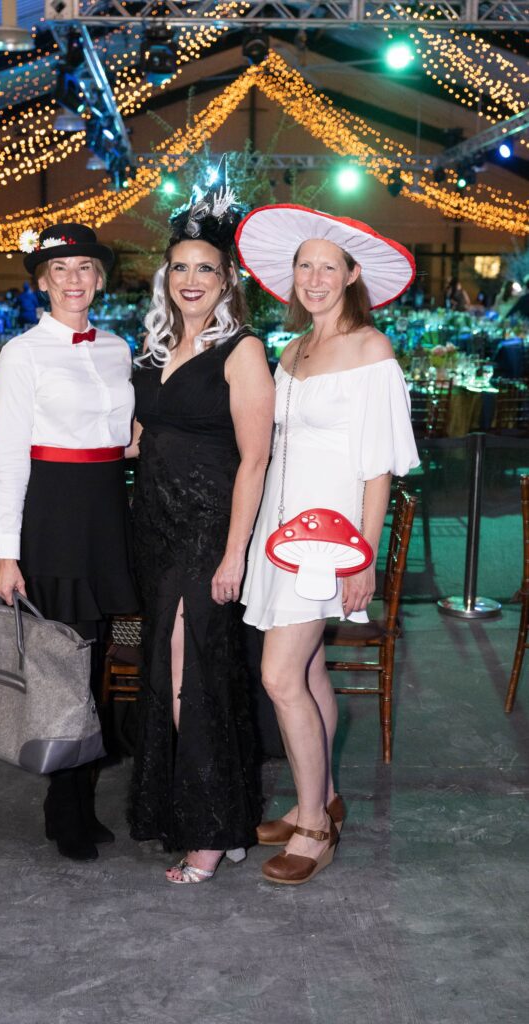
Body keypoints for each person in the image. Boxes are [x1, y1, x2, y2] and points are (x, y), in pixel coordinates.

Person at [236, 205, 420, 885]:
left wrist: (362, 557)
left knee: (279, 676)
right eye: (303, 265)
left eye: (326, 267)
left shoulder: (370, 348)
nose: (313, 277)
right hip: (277, 539)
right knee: (306, 672)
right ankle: (321, 795)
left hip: (329, 546)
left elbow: (378, 466)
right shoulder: (289, 350)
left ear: (349, 276)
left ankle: (316, 826)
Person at [126, 181, 275, 884]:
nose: (191, 280)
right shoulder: (154, 346)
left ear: (227, 280)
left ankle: (210, 835)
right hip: (152, 528)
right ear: (167, 278)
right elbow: (133, 439)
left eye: (204, 269)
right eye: (180, 268)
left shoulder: (241, 350)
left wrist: (234, 552)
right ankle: (225, 817)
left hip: (208, 528)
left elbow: (255, 459)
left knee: (193, 675)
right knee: (171, 669)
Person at [0, 222, 137, 861]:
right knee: (62, 666)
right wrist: (5, 552)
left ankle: (74, 801)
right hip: (53, 515)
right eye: (61, 270)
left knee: (98, 659)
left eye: (84, 268)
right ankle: (65, 805)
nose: (73, 280)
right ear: (42, 282)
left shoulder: (119, 349)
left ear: (99, 279)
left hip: (108, 513)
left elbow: (119, 436)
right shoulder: (23, 353)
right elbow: (10, 458)